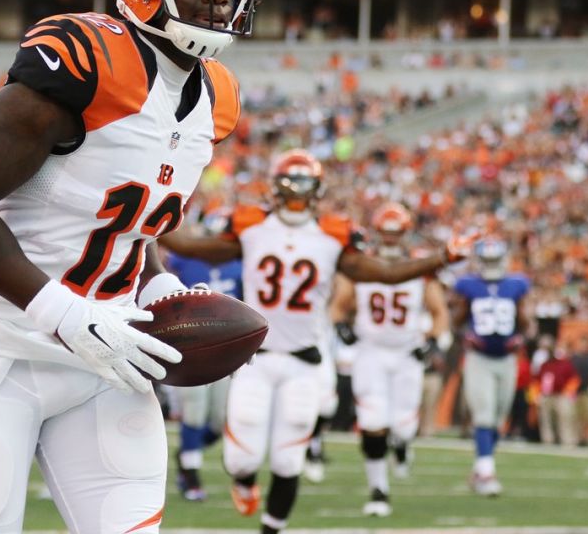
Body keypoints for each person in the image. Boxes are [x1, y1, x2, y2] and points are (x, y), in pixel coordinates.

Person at [0, 0, 261, 534]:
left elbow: (130, 226)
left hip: (110, 352)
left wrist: (159, 285)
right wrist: (63, 312)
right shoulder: (90, 57)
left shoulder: (219, 99)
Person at [159, 150, 475, 534]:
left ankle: (272, 529)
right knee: (241, 459)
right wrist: (151, 217)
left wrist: (440, 258)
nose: (296, 191)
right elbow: (191, 247)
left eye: (304, 182)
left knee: (289, 460)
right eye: (290, 182)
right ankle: (244, 482)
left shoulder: (333, 234)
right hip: (254, 358)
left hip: (304, 363)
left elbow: (388, 272)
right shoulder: (252, 226)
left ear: (318, 188)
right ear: (275, 185)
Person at [329, 202, 452, 517]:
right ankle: (378, 490)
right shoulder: (362, 265)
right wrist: (341, 326)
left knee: (403, 426)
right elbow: (339, 305)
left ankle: (402, 444)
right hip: (371, 350)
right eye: (385, 232)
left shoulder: (419, 270)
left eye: (395, 234)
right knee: (372, 422)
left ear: (406, 233)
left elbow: (439, 313)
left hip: (406, 352)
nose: (390, 239)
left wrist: (433, 342)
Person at [163, 231, 243, 502]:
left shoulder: (239, 265)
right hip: (191, 345)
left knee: (219, 422)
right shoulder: (183, 260)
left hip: (225, 348)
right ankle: (191, 473)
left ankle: (187, 452)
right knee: (194, 412)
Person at [453, 237, 529, 496]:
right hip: (480, 357)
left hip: (507, 358)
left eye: (494, 260)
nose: (491, 265)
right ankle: (487, 473)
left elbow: (524, 319)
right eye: (486, 260)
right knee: (483, 415)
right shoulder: (469, 285)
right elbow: (458, 317)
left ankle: (479, 468)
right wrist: (464, 331)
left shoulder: (516, 284)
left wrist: (523, 335)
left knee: (497, 419)